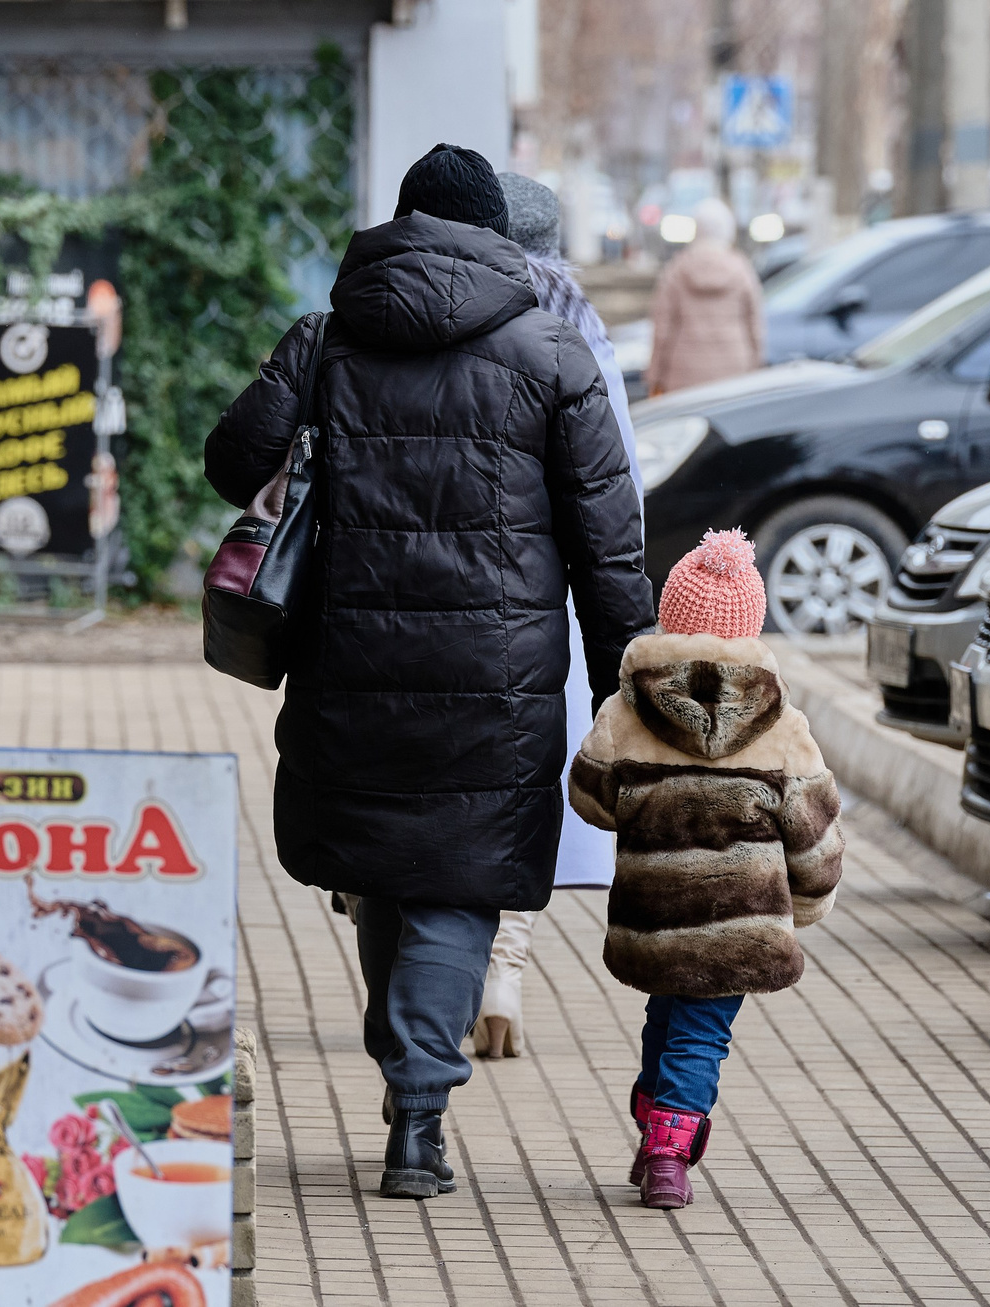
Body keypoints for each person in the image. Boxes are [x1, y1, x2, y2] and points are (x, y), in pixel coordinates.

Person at [204, 144, 653, 1200]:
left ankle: (405, 1070)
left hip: (346, 662)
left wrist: (301, 389)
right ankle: (419, 1112)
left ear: (399, 226)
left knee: (380, 873)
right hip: (498, 681)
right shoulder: (555, 356)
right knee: (457, 883)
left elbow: (232, 462)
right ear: (495, 238)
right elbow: (609, 540)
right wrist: (628, 678)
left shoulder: (325, 337)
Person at [567, 528, 844, 1210]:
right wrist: (807, 902)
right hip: (741, 921)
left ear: (670, 616)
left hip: (655, 910)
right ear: (750, 624)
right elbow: (813, 828)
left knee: (670, 1011)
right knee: (700, 1028)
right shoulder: (782, 721)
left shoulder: (629, 706)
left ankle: (654, 1109)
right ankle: (667, 1150)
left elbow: (590, 797)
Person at [466, 173, 641, 1060]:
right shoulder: (582, 333)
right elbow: (622, 491)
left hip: (452, 594)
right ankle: (506, 959)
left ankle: (442, 973)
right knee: (529, 785)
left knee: (458, 788)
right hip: (550, 603)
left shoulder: (461, 317)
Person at [645, 197, 764, 396]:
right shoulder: (742, 269)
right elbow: (755, 326)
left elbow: (662, 329)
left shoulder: (676, 270)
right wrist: (756, 368)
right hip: (734, 372)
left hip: (683, 376)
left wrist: (655, 376)